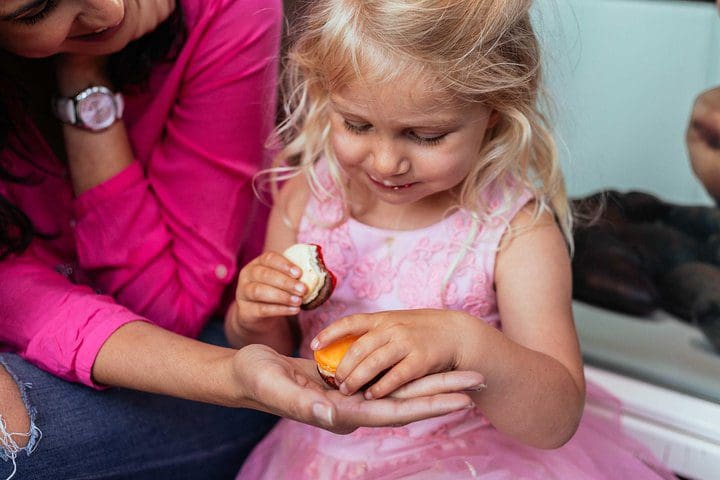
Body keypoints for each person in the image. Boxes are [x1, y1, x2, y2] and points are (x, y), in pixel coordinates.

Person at [0, 1, 482, 479]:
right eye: (35, 11)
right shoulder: (312, 200)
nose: (108, 12)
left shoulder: (229, 11)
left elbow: (171, 312)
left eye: (424, 135)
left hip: (198, 342)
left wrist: (84, 83)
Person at [225, 0, 677, 478]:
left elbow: (556, 418)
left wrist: (468, 344)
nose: (385, 163)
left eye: (425, 136)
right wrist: (253, 318)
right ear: (324, 95)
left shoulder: (514, 231)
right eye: (357, 125)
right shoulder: (309, 197)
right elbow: (276, 355)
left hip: (463, 462)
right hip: (317, 459)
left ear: (496, 113)